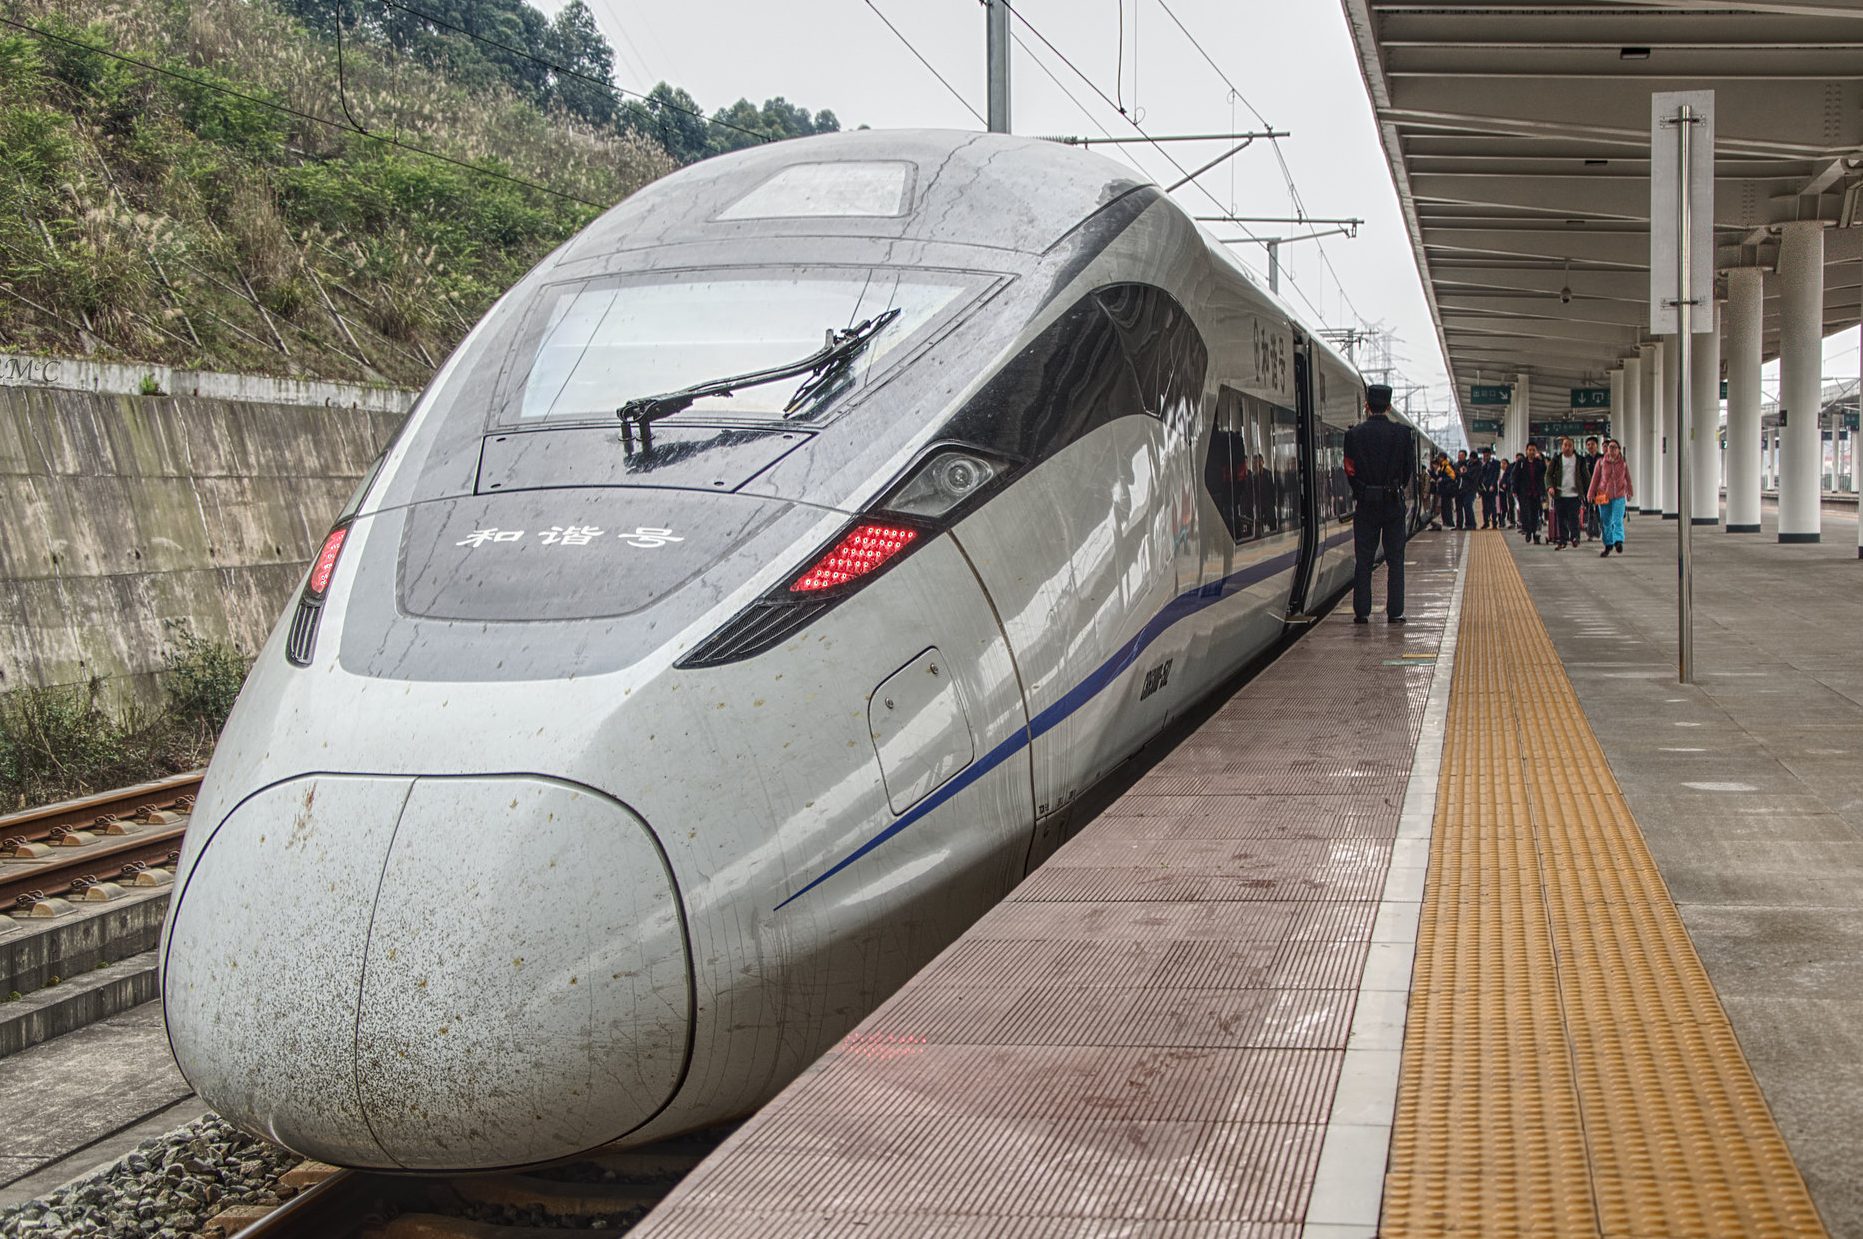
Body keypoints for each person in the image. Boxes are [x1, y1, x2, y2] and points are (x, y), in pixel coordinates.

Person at [1343, 384, 1415, 624]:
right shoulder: (1403, 434)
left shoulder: (1353, 435)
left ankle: (1362, 611)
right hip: (1393, 504)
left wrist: (1362, 490)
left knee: (1363, 560)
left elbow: (1350, 470)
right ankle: (1395, 612)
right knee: (1395, 561)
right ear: (1389, 406)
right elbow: (1408, 472)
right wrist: (1394, 488)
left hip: (1365, 506)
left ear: (1367, 406)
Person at [1588, 437, 1633, 556]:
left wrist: (1629, 491)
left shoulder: (1623, 464)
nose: (1611, 450)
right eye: (1610, 447)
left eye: (1614, 448)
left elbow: (1628, 479)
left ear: (1619, 450)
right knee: (1605, 521)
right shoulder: (1601, 462)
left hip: (1619, 495)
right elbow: (1595, 479)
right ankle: (1608, 544)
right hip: (1604, 495)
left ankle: (1618, 541)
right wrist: (1590, 493)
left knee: (1617, 520)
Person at [1547, 436, 1586, 549]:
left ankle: (1575, 537)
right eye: (1565, 445)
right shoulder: (1556, 460)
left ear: (1573, 447)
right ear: (1561, 446)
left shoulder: (1579, 460)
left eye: (1570, 445)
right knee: (1561, 518)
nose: (1567, 447)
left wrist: (1588, 492)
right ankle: (1563, 539)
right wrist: (1550, 487)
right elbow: (1548, 475)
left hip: (1574, 495)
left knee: (1574, 517)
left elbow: (1586, 476)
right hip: (1560, 494)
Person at [1512, 442, 1548, 544]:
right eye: (1530, 450)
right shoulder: (1521, 462)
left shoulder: (1539, 462)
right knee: (1525, 513)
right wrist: (1514, 489)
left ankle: (1533, 531)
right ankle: (1528, 531)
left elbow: (1545, 471)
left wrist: (1542, 459)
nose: (1531, 452)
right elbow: (1515, 476)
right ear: (1526, 451)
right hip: (1524, 493)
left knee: (1535, 514)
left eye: (1533, 450)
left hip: (1536, 493)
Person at [1580, 436, 1603, 541]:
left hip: (1601, 489)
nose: (1590, 447)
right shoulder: (1584, 460)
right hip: (1588, 490)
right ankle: (1590, 532)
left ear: (1597, 445)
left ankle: (1601, 531)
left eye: (1592, 444)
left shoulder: (1602, 458)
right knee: (1589, 510)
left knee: (1601, 510)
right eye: (1588, 445)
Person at [1478, 446, 1503, 527]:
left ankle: (1494, 523)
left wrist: (1492, 485)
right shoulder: (1482, 464)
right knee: (1484, 506)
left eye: (1486, 455)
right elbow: (1480, 476)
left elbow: (1496, 475)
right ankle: (1486, 522)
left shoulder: (1496, 463)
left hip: (1492, 488)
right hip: (1484, 488)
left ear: (1490, 455)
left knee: (1493, 506)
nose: (1485, 457)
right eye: (1484, 456)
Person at [1456, 448, 1480, 530]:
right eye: (1459, 456)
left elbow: (1472, 477)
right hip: (1462, 489)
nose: (1459, 457)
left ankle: (1472, 524)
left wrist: (1465, 473)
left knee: (1468, 505)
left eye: (1462, 456)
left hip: (1470, 489)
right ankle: (1465, 524)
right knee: (1464, 507)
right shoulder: (1463, 464)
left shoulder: (1474, 465)